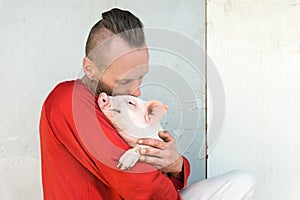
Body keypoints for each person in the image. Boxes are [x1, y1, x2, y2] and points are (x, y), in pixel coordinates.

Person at [39, 8, 254, 200]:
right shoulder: (68, 100)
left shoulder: (117, 103)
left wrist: (175, 164)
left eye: (140, 77)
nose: (137, 91)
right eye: (125, 81)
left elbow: (158, 169)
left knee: (242, 182)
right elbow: (137, 182)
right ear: (89, 69)